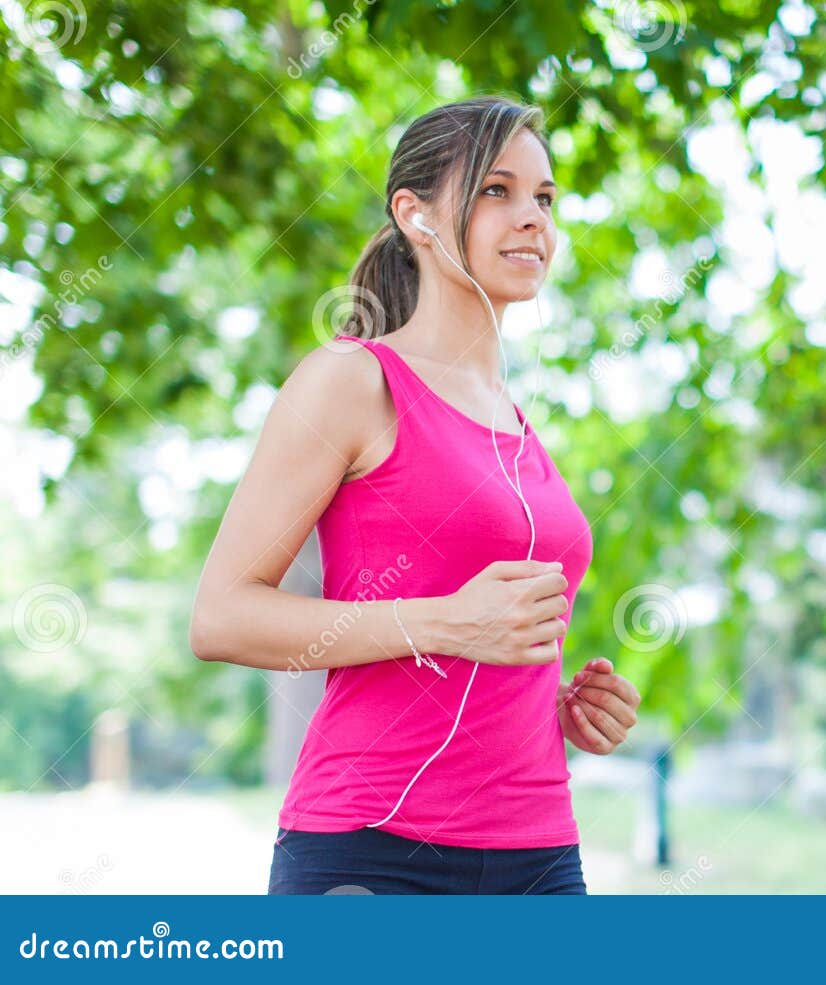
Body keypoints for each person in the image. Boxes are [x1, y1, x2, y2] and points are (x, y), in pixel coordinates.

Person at [188, 95, 641, 894]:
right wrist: (446, 622)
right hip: (371, 849)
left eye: (545, 197)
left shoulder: (518, 422)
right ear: (415, 215)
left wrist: (560, 709)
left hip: (539, 854)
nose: (533, 218)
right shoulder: (352, 381)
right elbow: (221, 616)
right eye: (497, 191)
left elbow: (489, 644)